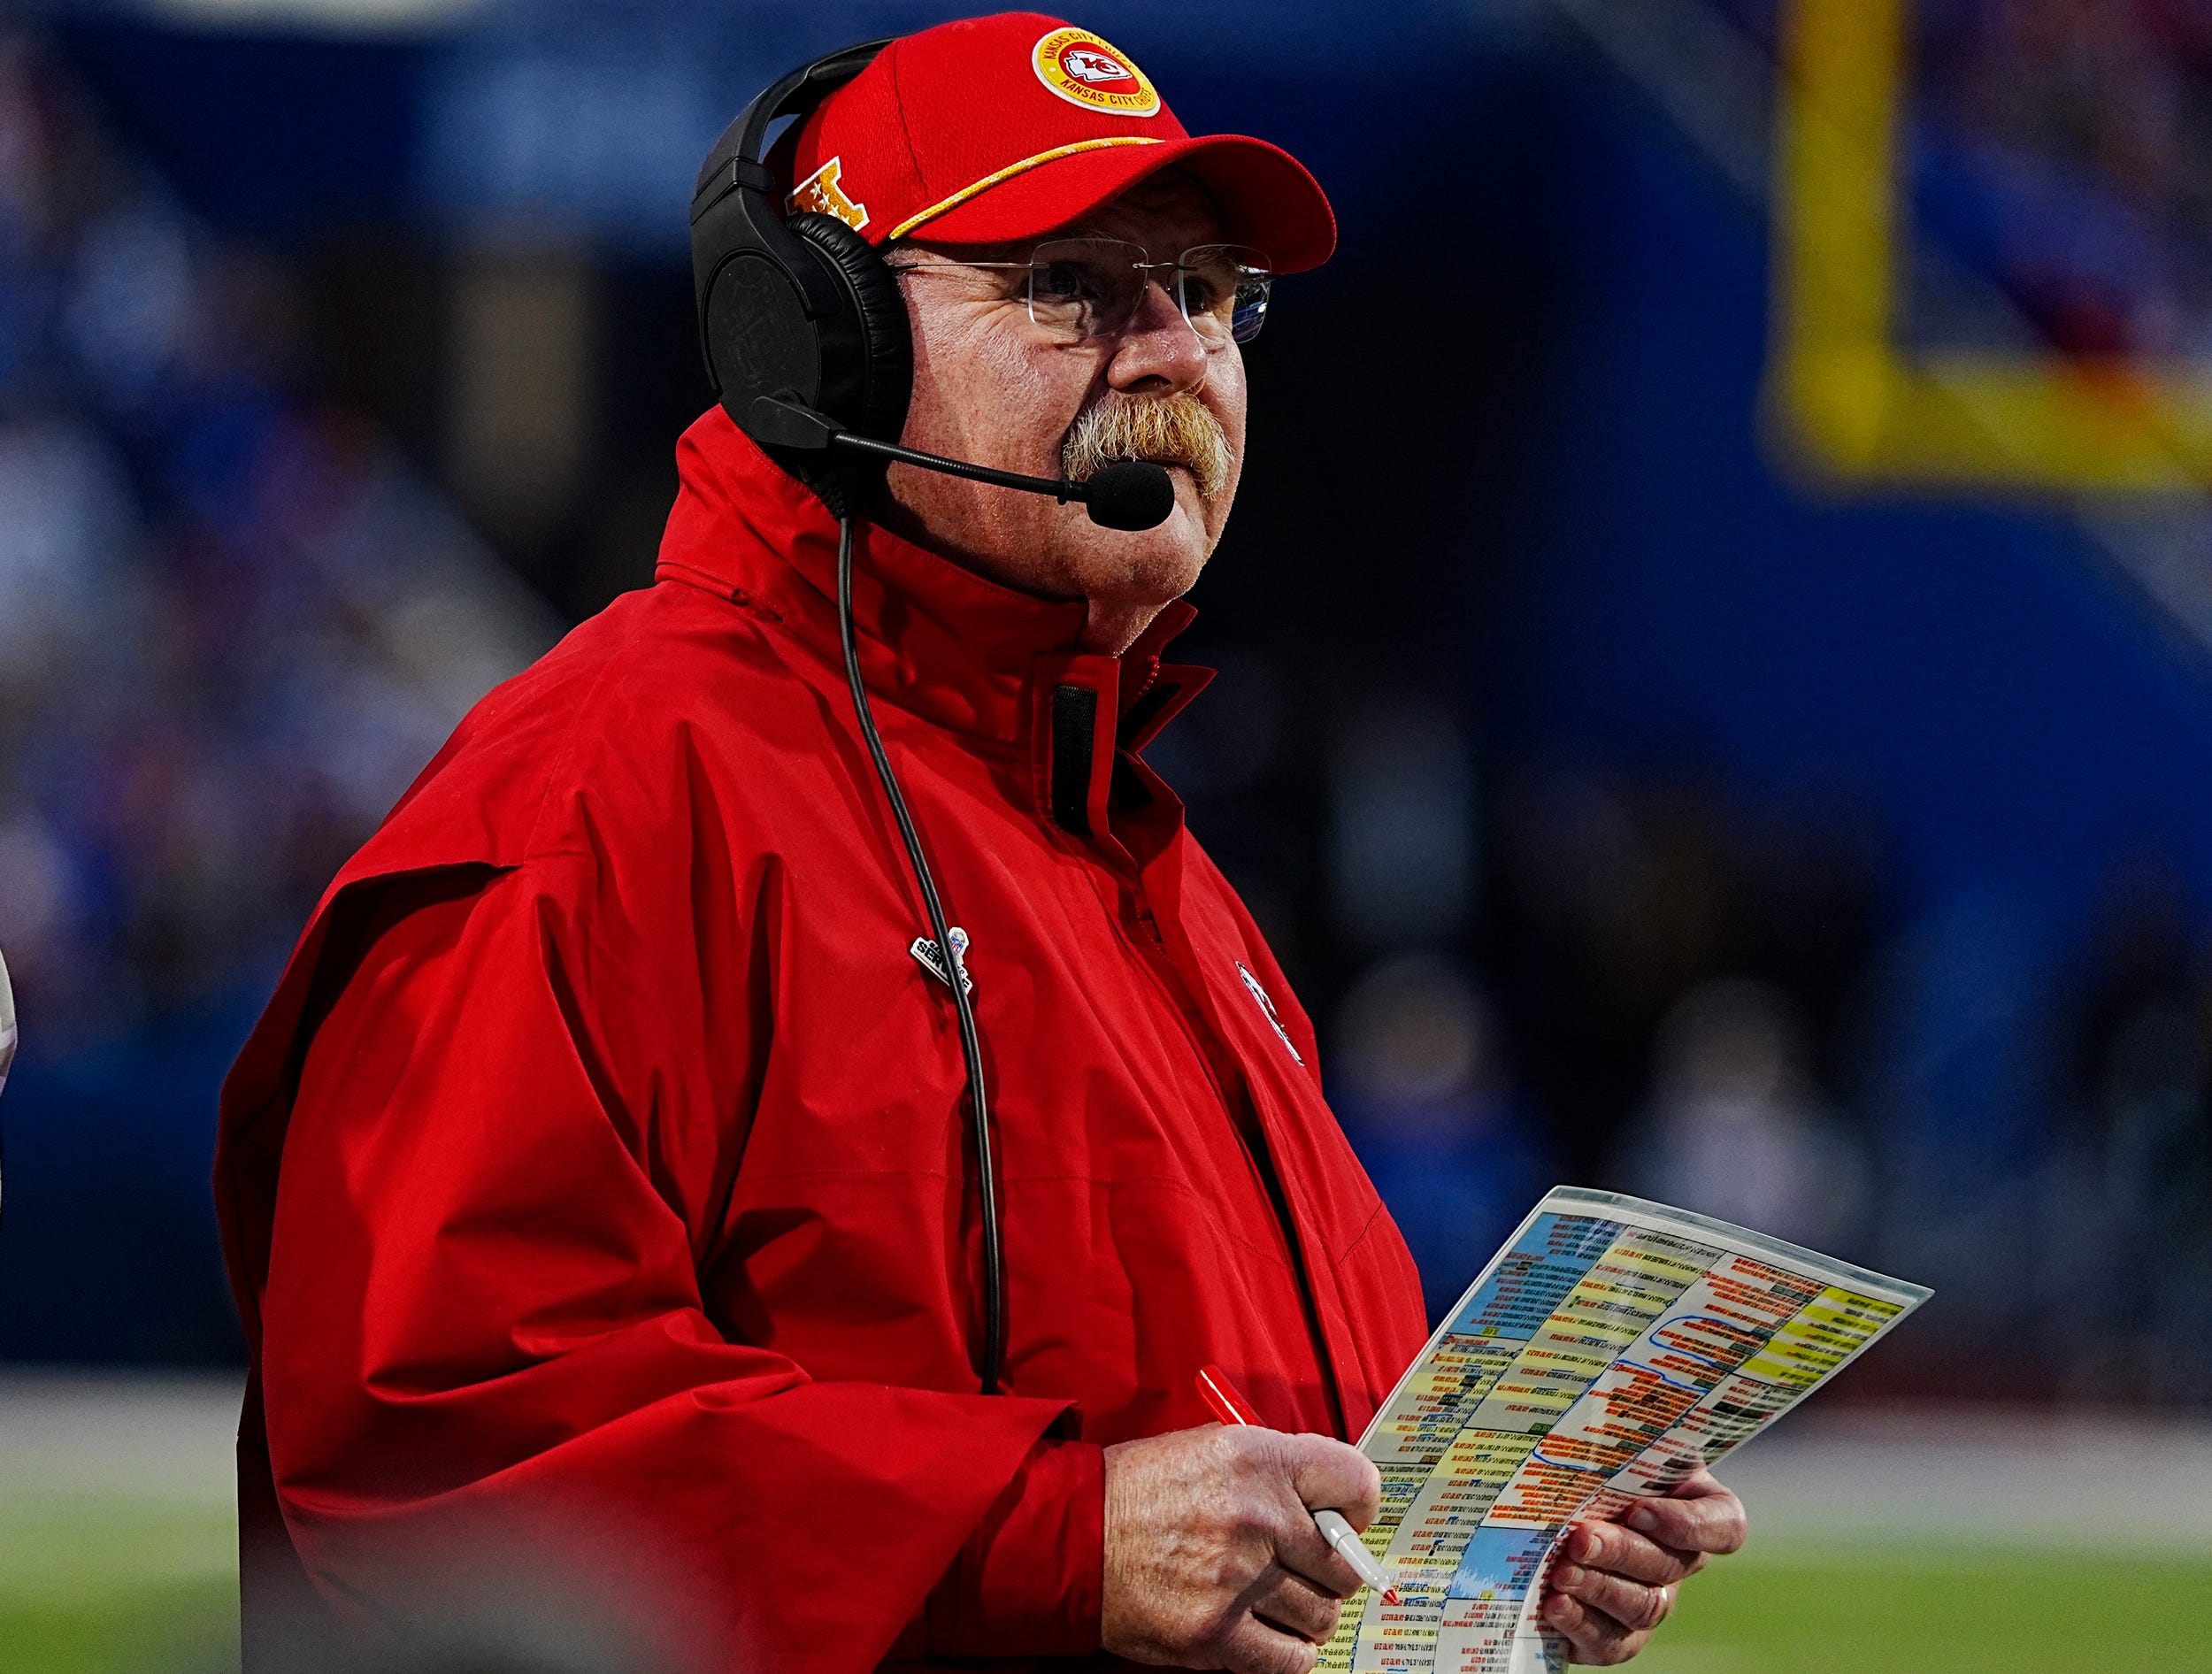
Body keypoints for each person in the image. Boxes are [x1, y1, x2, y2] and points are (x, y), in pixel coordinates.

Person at [213, 14, 1744, 1673]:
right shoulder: (601, 801)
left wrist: (1485, 1547)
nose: (1173, 352)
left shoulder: (1148, 865)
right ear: (823, 343)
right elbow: (436, 1455)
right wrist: (1051, 1542)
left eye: (1212, 296)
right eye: (1072, 288)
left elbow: (1227, 1451)